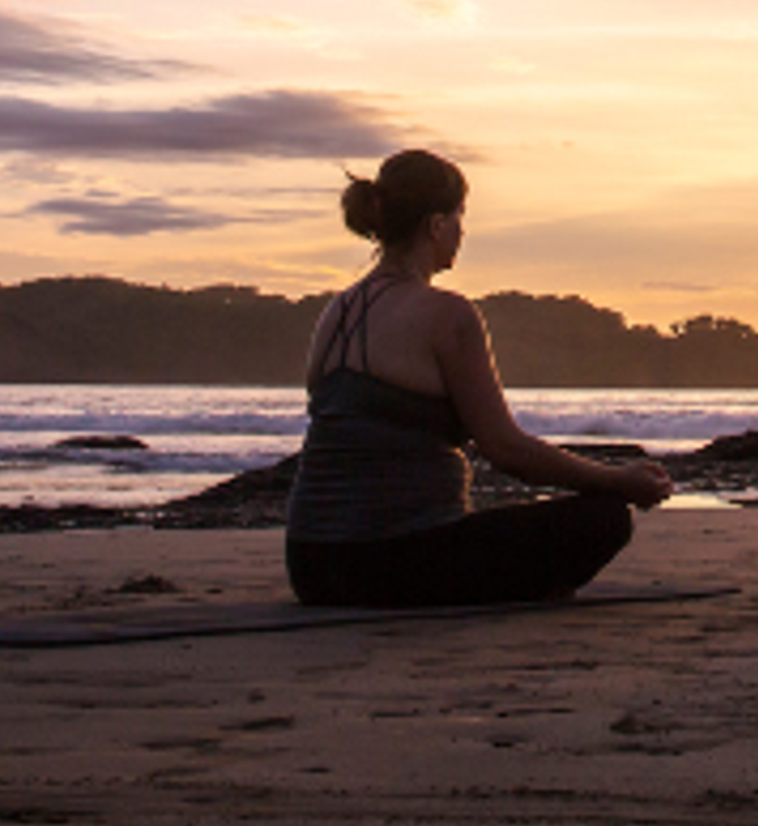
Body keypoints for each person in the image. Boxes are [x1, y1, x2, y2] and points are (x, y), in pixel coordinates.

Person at [283, 148, 673, 607]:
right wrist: (618, 482)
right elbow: (505, 450)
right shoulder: (448, 314)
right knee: (604, 518)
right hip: (392, 566)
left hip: (311, 566)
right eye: (458, 218)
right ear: (435, 225)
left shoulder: (336, 311)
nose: (462, 233)